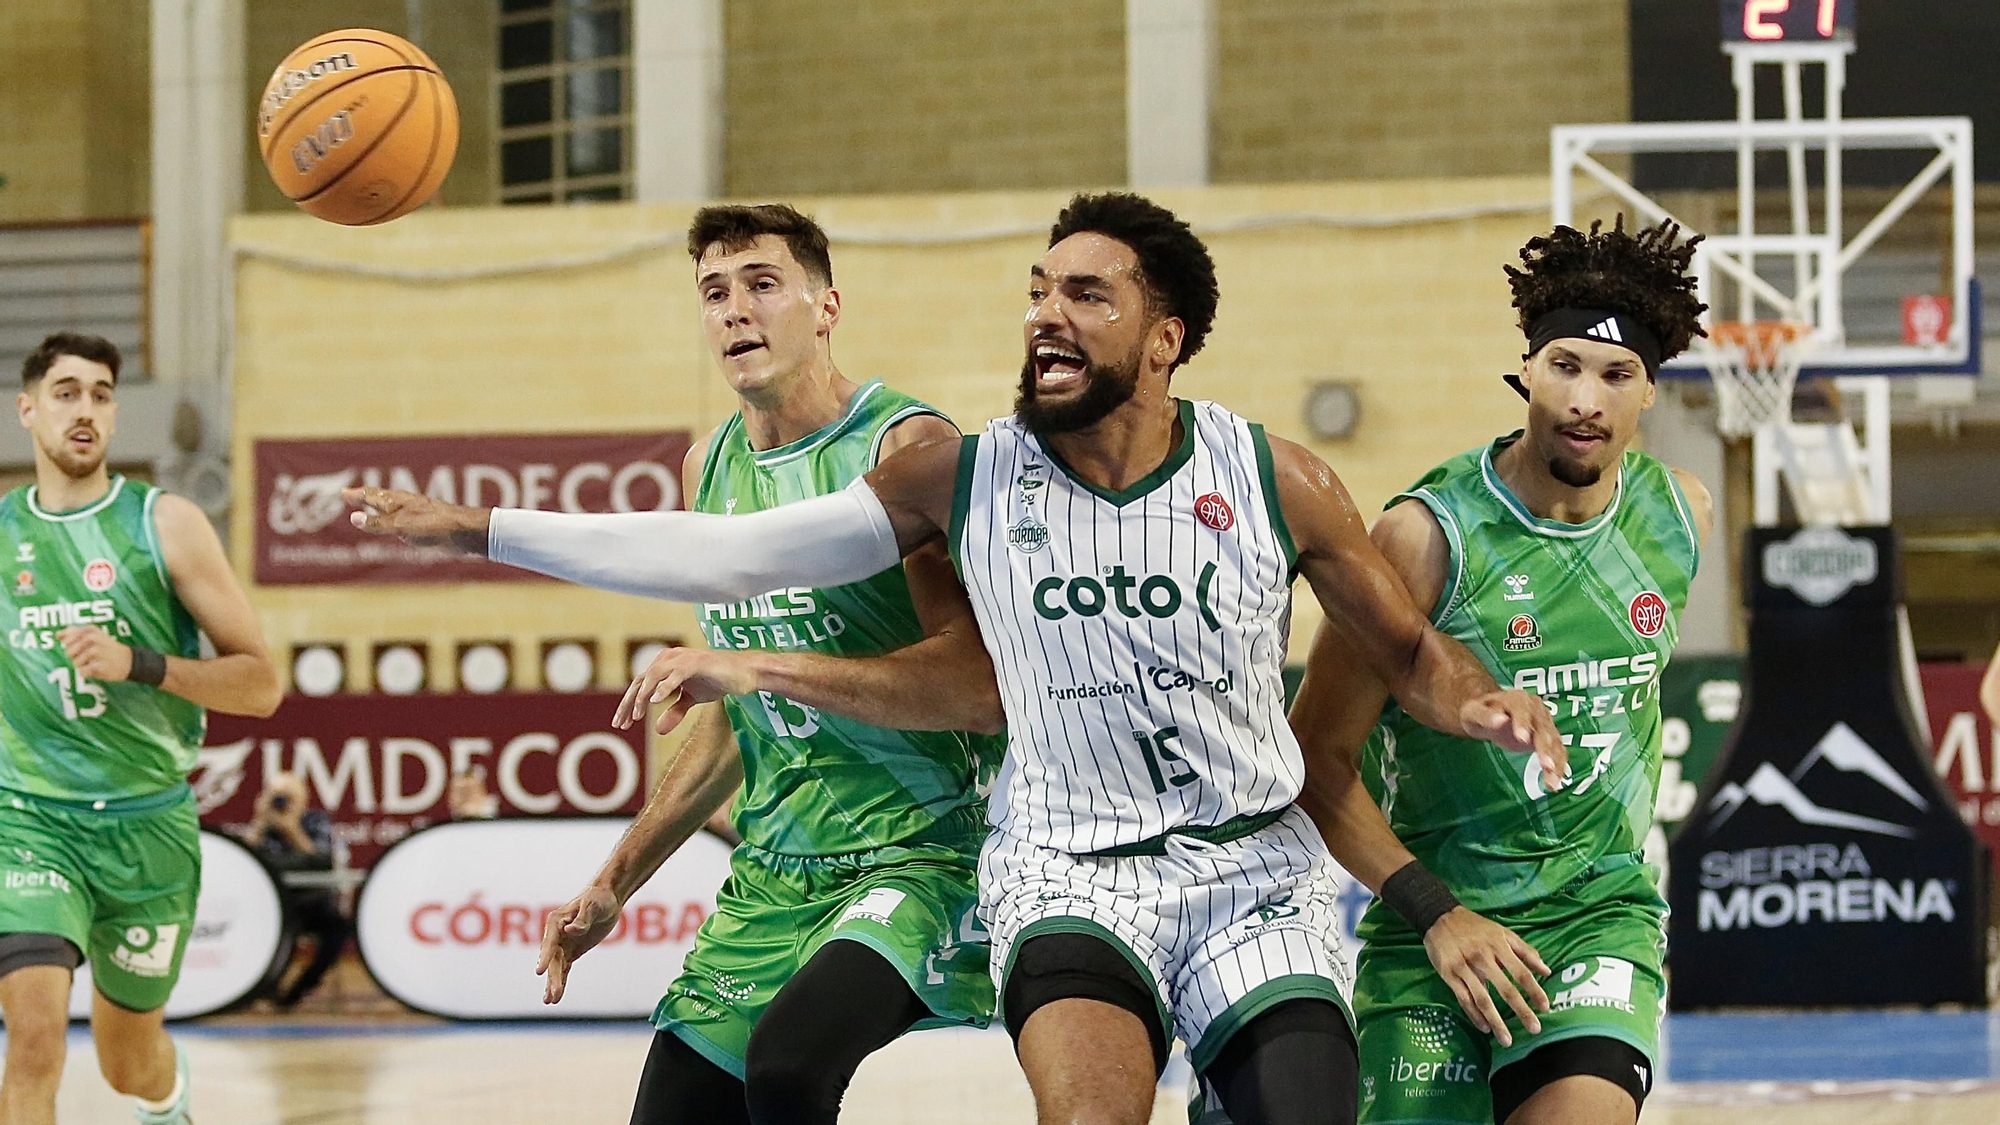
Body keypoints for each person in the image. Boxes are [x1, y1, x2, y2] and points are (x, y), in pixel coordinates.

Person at [346, 192, 1566, 1125]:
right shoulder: (963, 474)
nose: (1046, 312)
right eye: (1039, 290)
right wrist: (476, 527)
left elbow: (1409, 652)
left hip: (1242, 865)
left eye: (1087, 296)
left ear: (1161, 340)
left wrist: (1483, 703)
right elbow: (725, 557)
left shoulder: (1272, 475)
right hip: (1065, 864)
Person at [539, 204, 1005, 1125]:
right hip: (778, 866)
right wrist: (613, 881)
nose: (734, 311)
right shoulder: (706, 467)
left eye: (761, 284)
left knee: (788, 1069)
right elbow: (729, 714)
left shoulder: (903, 447)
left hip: (925, 852)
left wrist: (755, 668)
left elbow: (978, 684)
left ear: (825, 306)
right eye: (715, 292)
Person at [1288, 217, 1713, 1125]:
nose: (1585, 398)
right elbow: (1316, 760)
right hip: (1436, 932)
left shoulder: (1681, 517)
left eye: (1616, 374)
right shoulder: (1425, 536)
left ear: (1650, 392)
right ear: (1526, 368)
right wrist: (1436, 912)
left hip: (1599, 918)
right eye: (1565, 364)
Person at [0, 333, 283, 1125]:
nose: (84, 409)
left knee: (130, 1064)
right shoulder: (0, 536)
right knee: (32, 1038)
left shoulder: (166, 524)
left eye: (99, 393)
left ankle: (165, 1098)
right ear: (28, 411)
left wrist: (141, 664)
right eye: (65, 392)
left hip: (145, 826)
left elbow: (261, 685)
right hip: (29, 819)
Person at [241, 771, 348, 1008]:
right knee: (258, 929)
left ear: (304, 798)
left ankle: (296, 991)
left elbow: (324, 863)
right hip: (270, 905)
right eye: (277, 795)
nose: (283, 802)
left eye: (289, 796)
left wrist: (292, 830)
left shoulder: (316, 822)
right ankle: (264, 990)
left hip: (310, 902)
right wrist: (259, 824)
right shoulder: (263, 826)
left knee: (338, 930)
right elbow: (243, 863)